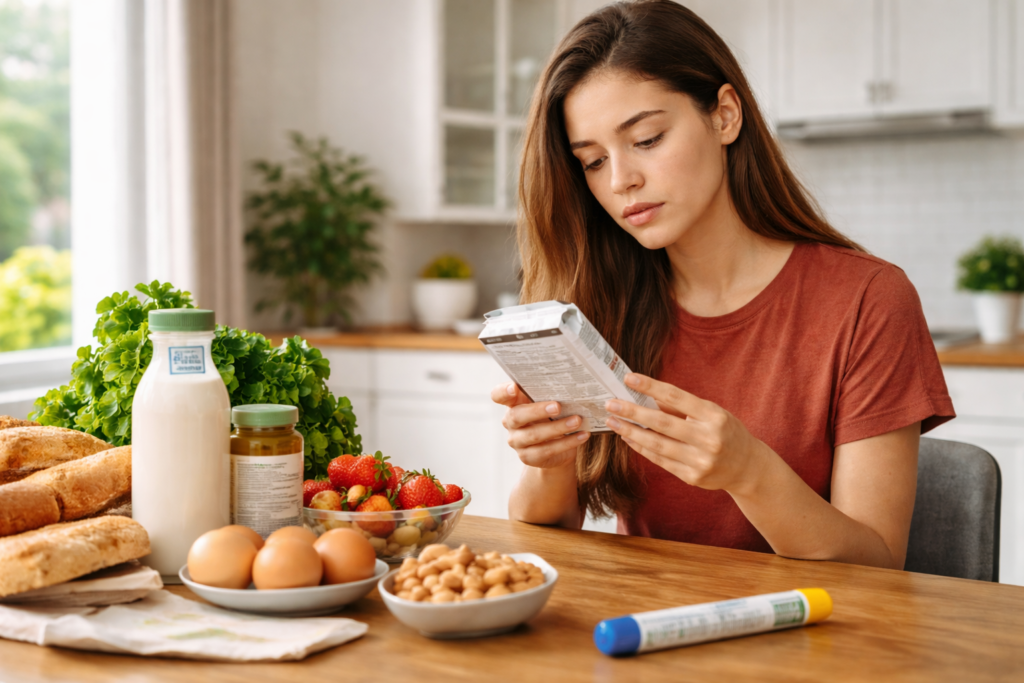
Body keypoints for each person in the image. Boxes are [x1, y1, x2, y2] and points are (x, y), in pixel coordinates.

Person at [491, 0, 954, 570]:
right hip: (642, 635)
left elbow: (877, 564)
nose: (620, 181)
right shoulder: (599, 304)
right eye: (591, 161)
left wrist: (748, 472)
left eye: (648, 139)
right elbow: (548, 541)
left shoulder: (868, 300)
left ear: (725, 116)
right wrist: (549, 461)